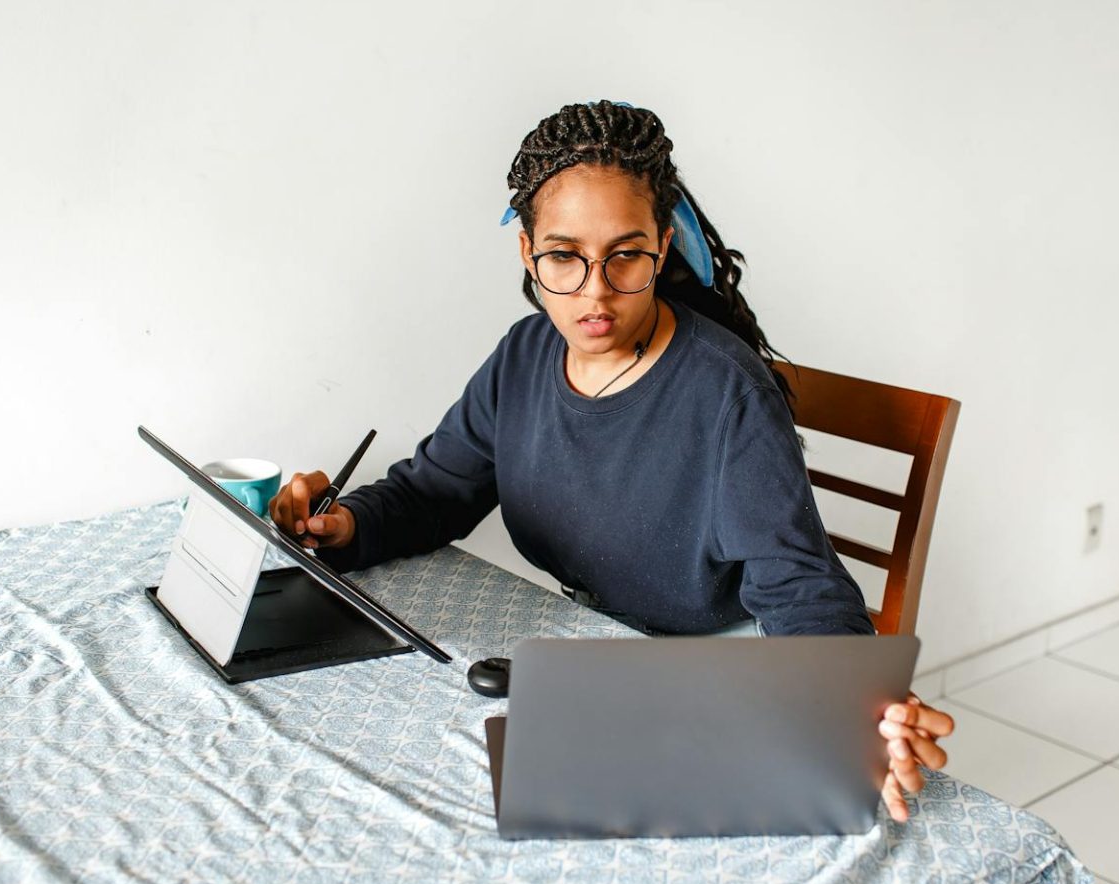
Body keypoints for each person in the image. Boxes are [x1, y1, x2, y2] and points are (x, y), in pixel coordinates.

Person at [271, 100, 952, 821]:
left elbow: (798, 583)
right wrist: (345, 523)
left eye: (626, 255)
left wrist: (848, 700)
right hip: (605, 659)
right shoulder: (523, 357)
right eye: (564, 256)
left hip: (713, 672)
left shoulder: (725, 393)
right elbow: (435, 491)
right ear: (528, 252)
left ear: (663, 247)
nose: (595, 291)